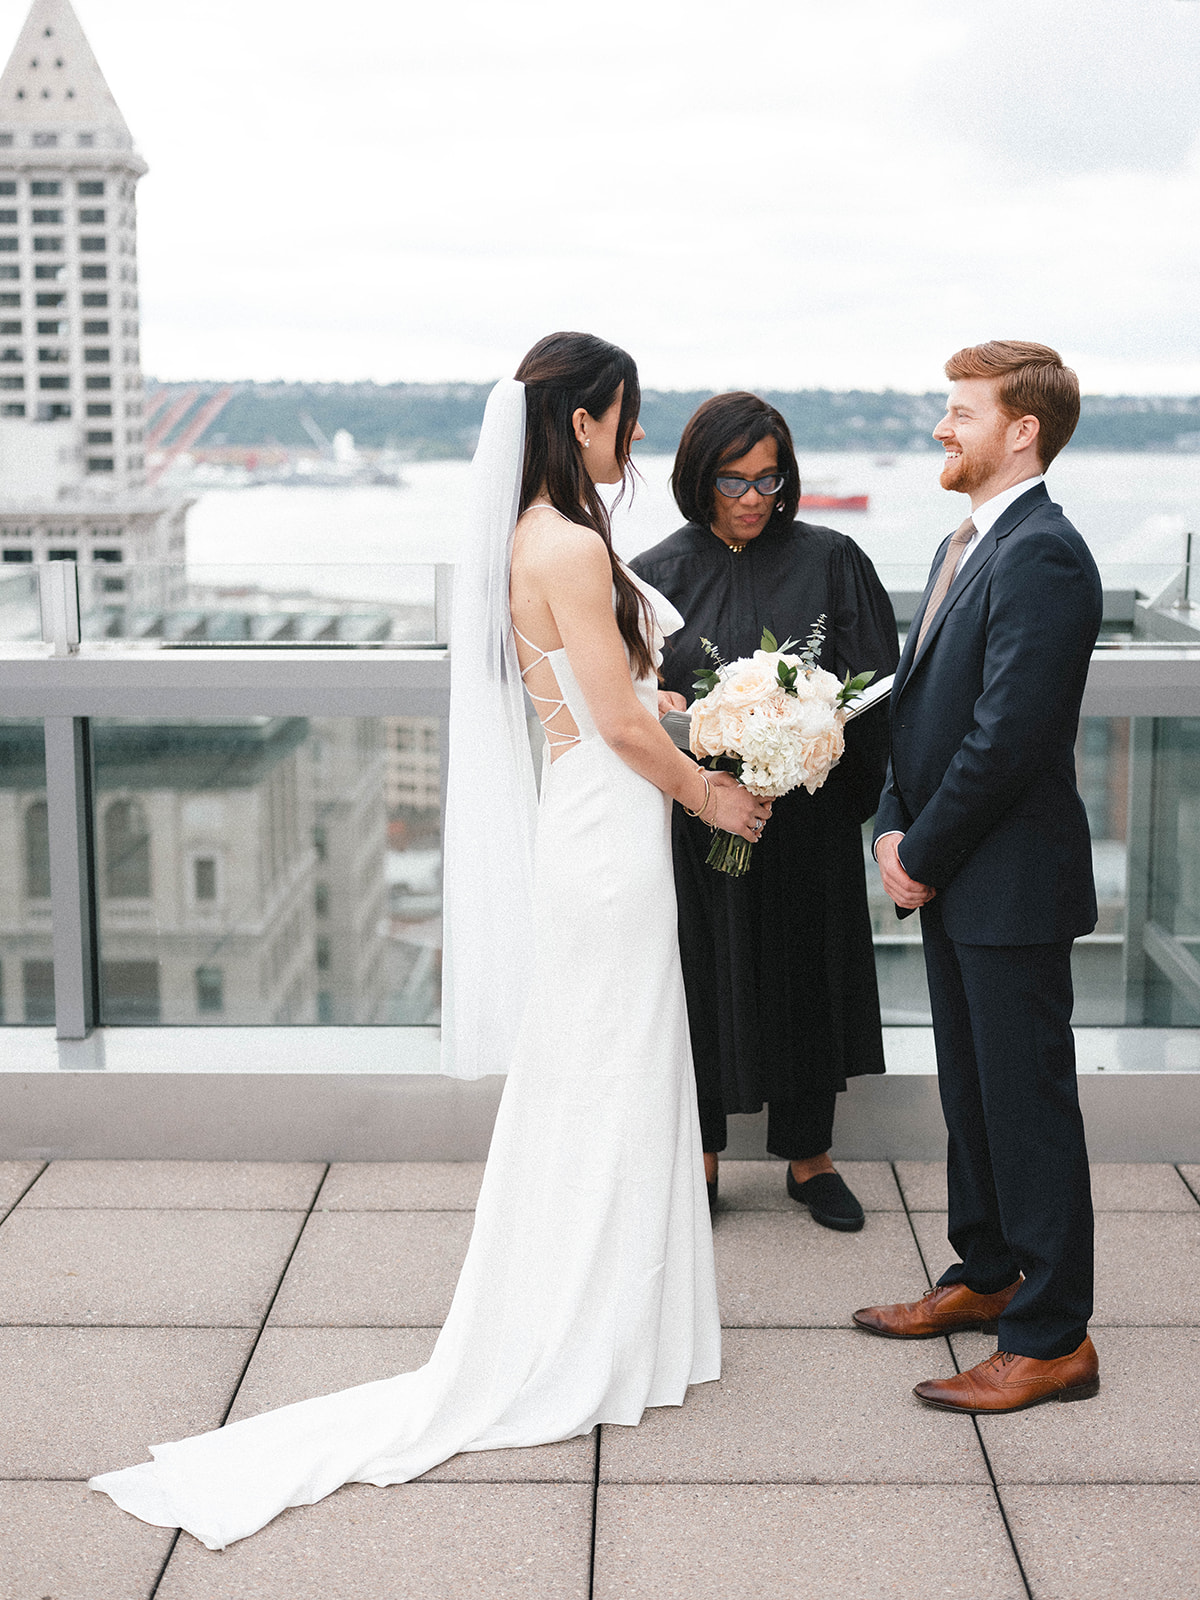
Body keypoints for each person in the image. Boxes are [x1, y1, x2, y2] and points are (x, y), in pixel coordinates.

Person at [88, 333, 770, 1548]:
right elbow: (611, 718)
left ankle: (615, 1313)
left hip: (595, 822)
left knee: (607, 1074)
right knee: (612, 1075)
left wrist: (704, 714)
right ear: (578, 421)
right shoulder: (564, 543)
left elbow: (610, 697)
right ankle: (592, 1326)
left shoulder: (538, 539)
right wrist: (715, 792)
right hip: (611, 836)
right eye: (625, 415)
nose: (635, 436)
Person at [855, 340, 1103, 1414]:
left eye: (961, 413)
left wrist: (920, 851)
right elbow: (921, 708)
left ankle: (1050, 1339)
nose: (943, 429)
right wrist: (892, 821)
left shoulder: (1044, 554)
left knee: (1027, 1107)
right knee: (974, 1095)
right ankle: (989, 1275)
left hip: (1007, 885)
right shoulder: (966, 539)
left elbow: (1007, 739)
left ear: (1022, 431)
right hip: (956, 875)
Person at [631, 393, 898, 1228]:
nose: (754, 497)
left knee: (808, 976)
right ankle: (701, 1159)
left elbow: (874, 683)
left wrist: (816, 764)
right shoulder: (653, 575)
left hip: (810, 821)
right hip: (700, 821)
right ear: (698, 479)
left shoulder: (832, 559)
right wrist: (681, 728)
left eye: (769, 478)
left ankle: (810, 1160)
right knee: (700, 979)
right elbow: (634, 700)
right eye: (733, 480)